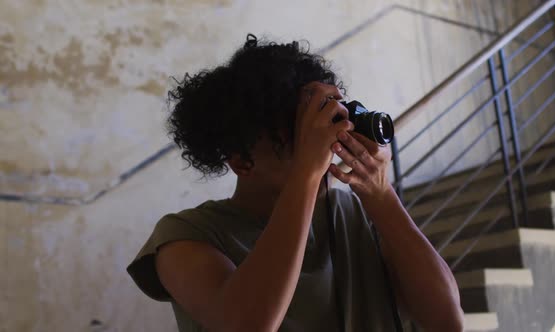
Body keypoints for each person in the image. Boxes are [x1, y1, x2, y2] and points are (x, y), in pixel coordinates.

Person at [127, 34, 464, 332]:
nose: (317, 141)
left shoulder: (353, 213)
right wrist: (305, 174)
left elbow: (447, 321)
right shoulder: (184, 237)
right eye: (297, 133)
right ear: (242, 161)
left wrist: (380, 193)